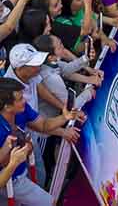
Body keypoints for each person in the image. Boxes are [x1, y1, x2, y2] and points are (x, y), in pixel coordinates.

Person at [0, 75, 85, 206]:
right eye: (20, 98)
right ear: (7, 106)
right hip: (11, 180)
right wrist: (13, 162)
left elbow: (43, 125)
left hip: (18, 173)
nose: (24, 100)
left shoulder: (22, 109)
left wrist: (64, 117)